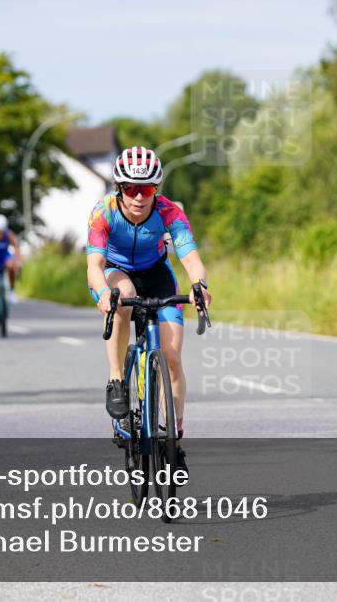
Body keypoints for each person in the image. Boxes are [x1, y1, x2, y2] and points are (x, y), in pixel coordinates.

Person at [86, 147, 211, 473]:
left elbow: (191, 259)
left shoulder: (169, 212)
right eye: (132, 189)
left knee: (171, 357)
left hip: (157, 275)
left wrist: (200, 287)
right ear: (119, 189)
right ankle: (117, 379)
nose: (140, 197)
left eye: (148, 190)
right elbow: (94, 264)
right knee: (122, 293)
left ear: (156, 190)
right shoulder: (103, 212)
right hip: (115, 272)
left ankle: (175, 438)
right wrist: (102, 293)